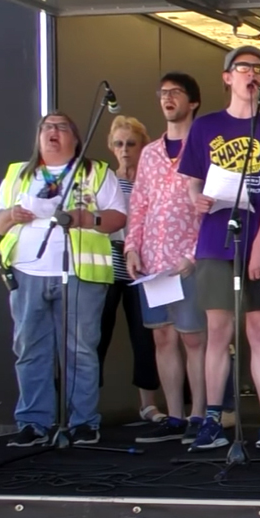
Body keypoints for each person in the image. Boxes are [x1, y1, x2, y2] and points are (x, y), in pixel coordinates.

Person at [178, 46, 260, 452]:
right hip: (216, 240)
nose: (252, 74)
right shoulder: (206, 126)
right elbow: (192, 179)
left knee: (259, 330)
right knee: (218, 331)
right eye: (243, 68)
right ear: (227, 77)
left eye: (258, 69)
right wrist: (196, 199)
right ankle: (212, 418)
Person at [0, 112, 128, 446]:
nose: (52, 132)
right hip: (27, 272)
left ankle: (82, 422)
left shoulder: (96, 172)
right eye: (47, 127)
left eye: (61, 127)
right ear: (38, 137)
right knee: (30, 349)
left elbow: (118, 217)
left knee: (80, 350)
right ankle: (33, 422)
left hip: (80, 273)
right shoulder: (18, 173)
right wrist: (12, 215)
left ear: (75, 138)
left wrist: (87, 218)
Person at [126, 72, 209, 444]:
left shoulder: (205, 147)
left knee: (194, 339)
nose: (167, 98)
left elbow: (213, 206)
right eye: (162, 92)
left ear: (193, 102)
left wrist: (195, 253)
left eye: (175, 92)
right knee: (162, 337)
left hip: (190, 261)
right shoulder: (150, 153)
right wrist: (132, 247)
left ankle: (199, 416)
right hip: (155, 262)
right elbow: (139, 203)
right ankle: (174, 416)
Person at [98, 116, 162, 424]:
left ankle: (148, 404)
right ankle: (83, 406)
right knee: (96, 336)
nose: (125, 150)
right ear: (111, 147)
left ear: (143, 146)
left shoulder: (151, 183)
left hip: (143, 267)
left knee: (146, 336)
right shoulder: (104, 181)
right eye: (119, 144)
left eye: (131, 144)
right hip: (108, 265)